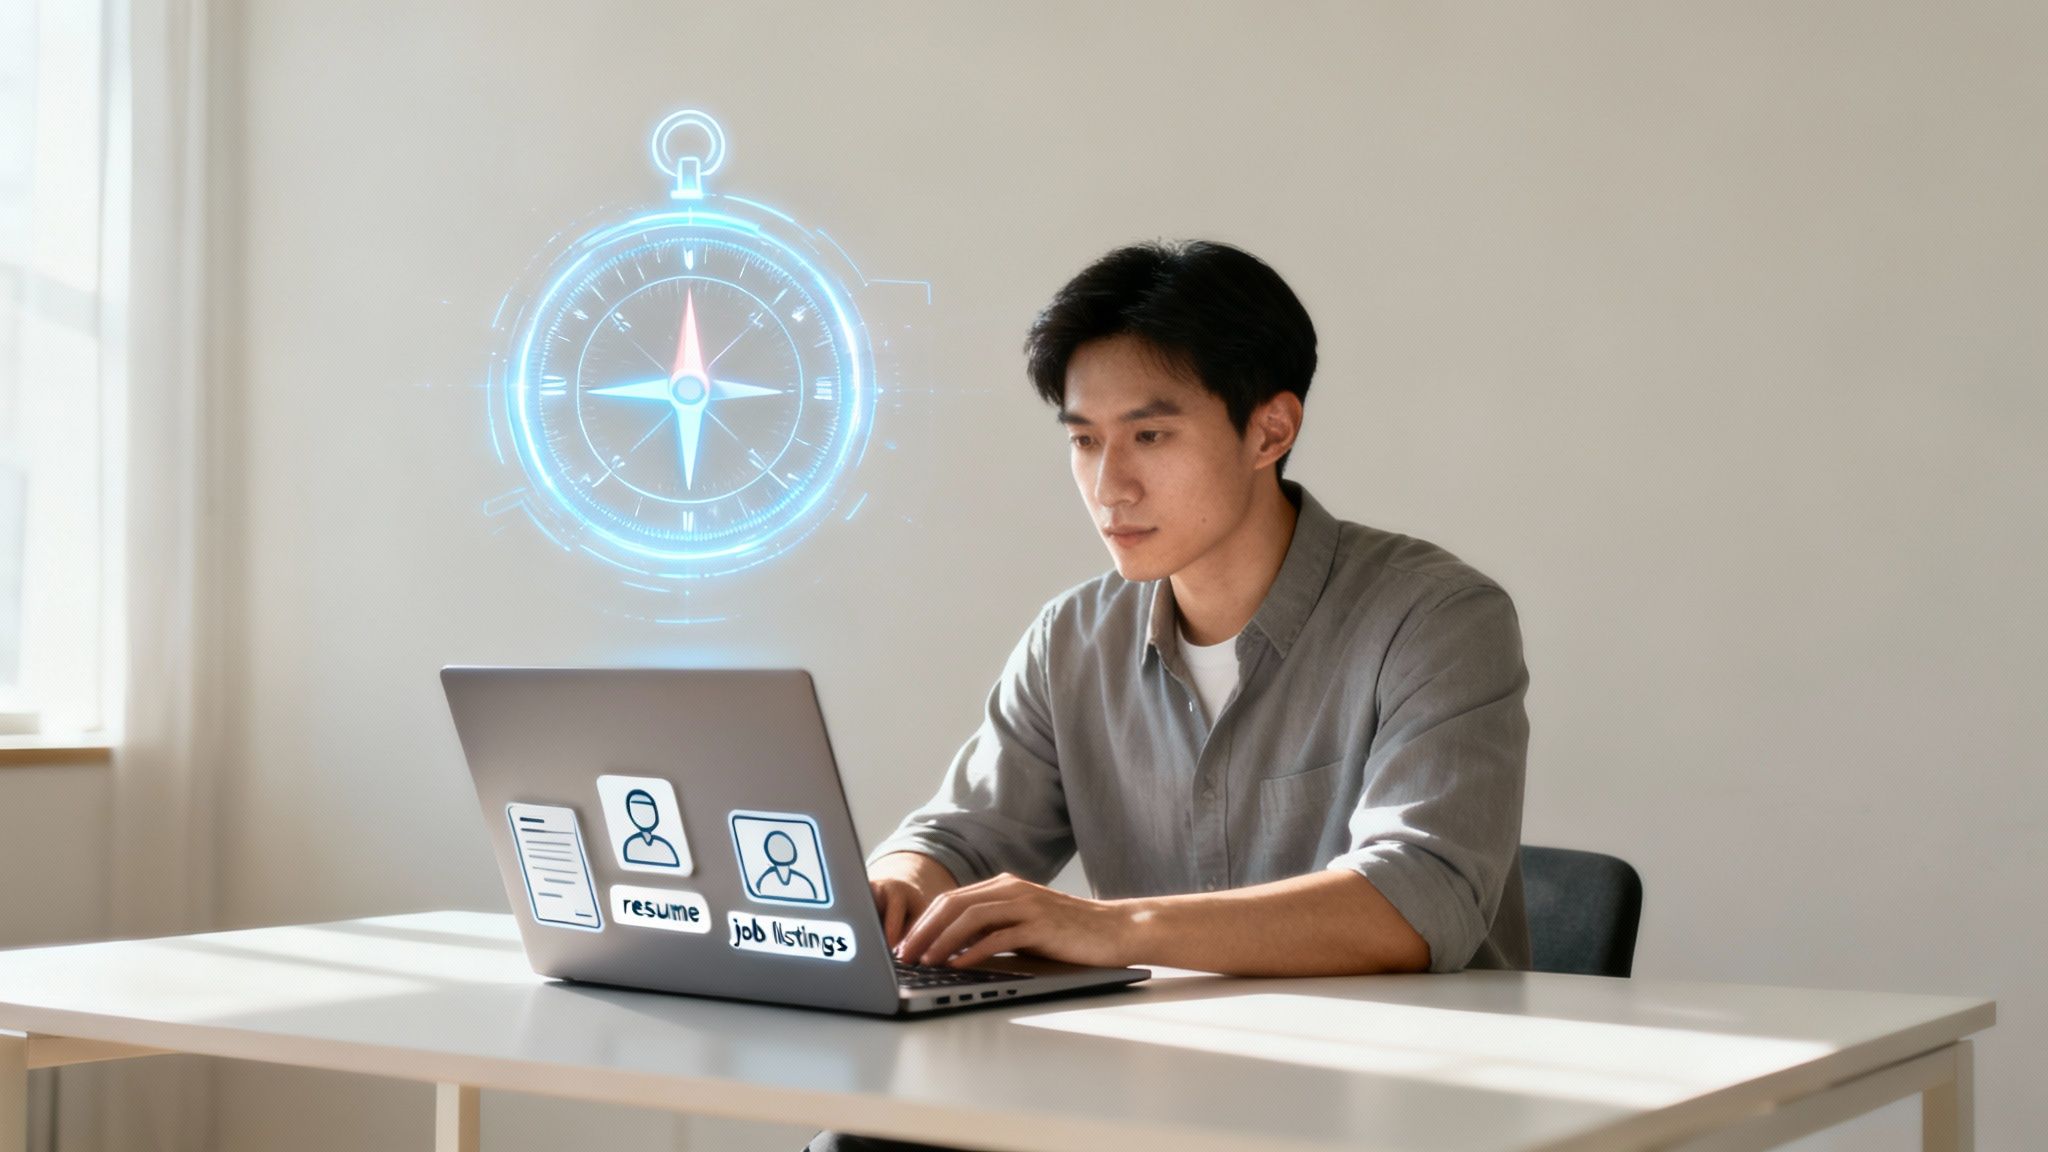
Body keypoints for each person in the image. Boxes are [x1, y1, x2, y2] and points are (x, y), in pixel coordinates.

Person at [809, 240, 1529, 1152]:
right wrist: (899, 889)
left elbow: (1419, 898)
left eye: (1150, 436)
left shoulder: (1434, 616)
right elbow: (958, 836)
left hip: (1390, 1110)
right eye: (1083, 441)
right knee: (864, 1142)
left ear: (1270, 431)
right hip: (1156, 1102)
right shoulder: (1074, 638)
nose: (1109, 487)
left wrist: (1108, 928)